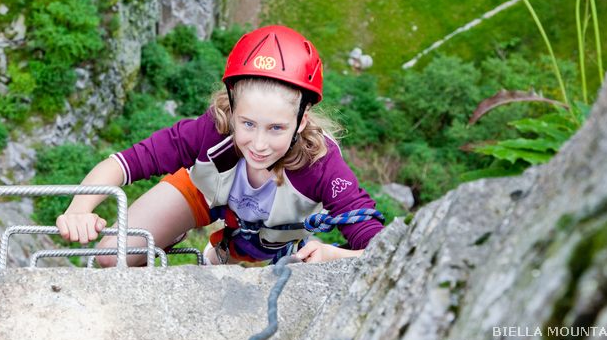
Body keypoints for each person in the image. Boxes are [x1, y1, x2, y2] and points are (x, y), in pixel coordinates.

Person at [56, 24, 385, 266]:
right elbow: (126, 163)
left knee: (232, 271)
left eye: (276, 128)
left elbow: (376, 244)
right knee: (111, 256)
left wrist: (337, 255)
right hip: (206, 192)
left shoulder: (321, 165)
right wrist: (79, 208)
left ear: (302, 121)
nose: (258, 144)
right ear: (232, 108)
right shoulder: (213, 130)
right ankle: (174, 232)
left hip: (268, 237)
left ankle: (220, 251)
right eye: (248, 123)